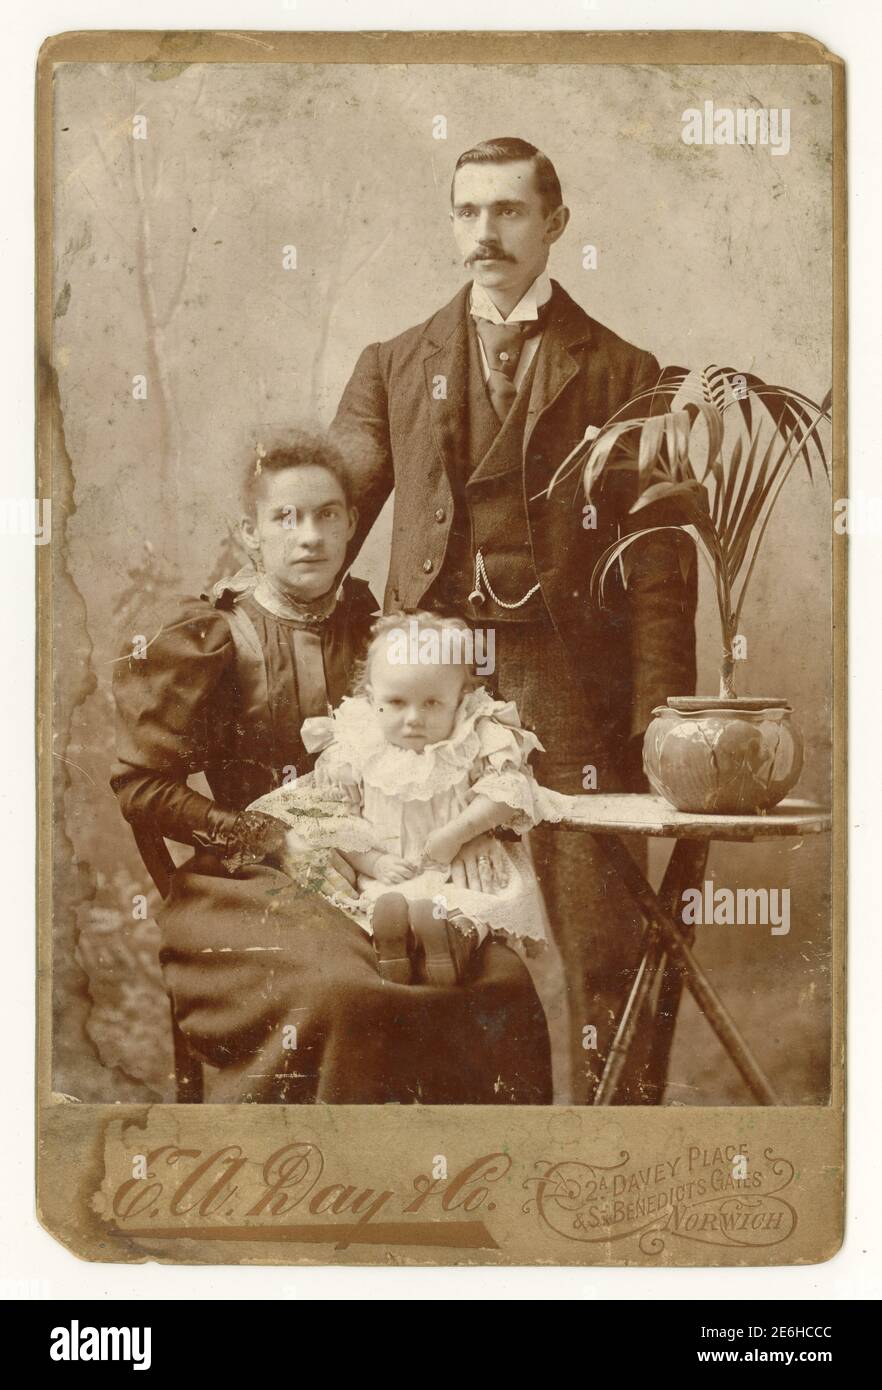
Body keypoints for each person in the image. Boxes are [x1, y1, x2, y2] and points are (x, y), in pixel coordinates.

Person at [330, 136, 698, 1102]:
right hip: (430, 693)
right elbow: (323, 516)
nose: (484, 233)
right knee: (424, 921)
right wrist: (241, 595)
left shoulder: (627, 372)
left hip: (569, 681)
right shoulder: (393, 363)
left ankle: (615, 1153)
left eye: (508, 212)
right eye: (467, 212)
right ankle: (457, 1156)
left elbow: (660, 566)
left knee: (598, 937)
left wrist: (659, 715)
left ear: (554, 225)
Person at [111, 432, 552, 1104]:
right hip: (249, 883)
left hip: (391, 863)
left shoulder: (378, 632)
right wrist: (268, 838)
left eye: (325, 514)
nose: (308, 536)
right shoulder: (218, 637)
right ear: (250, 533)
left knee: (503, 984)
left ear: (350, 522)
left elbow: (453, 728)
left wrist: (474, 810)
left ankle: (465, 1182)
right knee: (348, 992)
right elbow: (140, 787)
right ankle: (327, 1182)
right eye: (285, 518)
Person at [250, 610, 573, 987]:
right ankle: (394, 947)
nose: (414, 718)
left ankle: (452, 943)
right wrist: (373, 861)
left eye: (433, 703)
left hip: (461, 874)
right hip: (389, 877)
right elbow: (334, 821)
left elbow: (510, 793)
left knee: (474, 911)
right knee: (380, 907)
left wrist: (458, 832)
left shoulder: (474, 735)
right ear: (372, 699)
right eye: (397, 702)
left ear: (460, 699)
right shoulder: (356, 747)